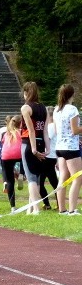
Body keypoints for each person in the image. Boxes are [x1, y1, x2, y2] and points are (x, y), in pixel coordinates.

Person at [20, 81, 50, 215]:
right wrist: (48, 148)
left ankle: (36, 209)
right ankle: (30, 208)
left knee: (31, 178)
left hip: (28, 144)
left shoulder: (25, 108)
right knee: (37, 178)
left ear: (26, 93)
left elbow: (31, 131)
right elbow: (45, 131)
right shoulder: (44, 108)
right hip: (41, 143)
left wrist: (33, 149)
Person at [52, 84, 82, 215]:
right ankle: (72, 209)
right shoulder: (72, 109)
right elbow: (75, 130)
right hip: (70, 148)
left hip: (59, 147)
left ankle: (62, 209)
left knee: (63, 177)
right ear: (72, 94)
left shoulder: (57, 109)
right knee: (77, 177)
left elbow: (58, 130)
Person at [0, 115, 22, 212]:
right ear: (21, 123)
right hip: (19, 154)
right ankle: (22, 174)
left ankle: (13, 207)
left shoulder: (6, 133)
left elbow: (2, 142)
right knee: (25, 160)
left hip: (6, 156)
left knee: (10, 182)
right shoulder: (21, 132)